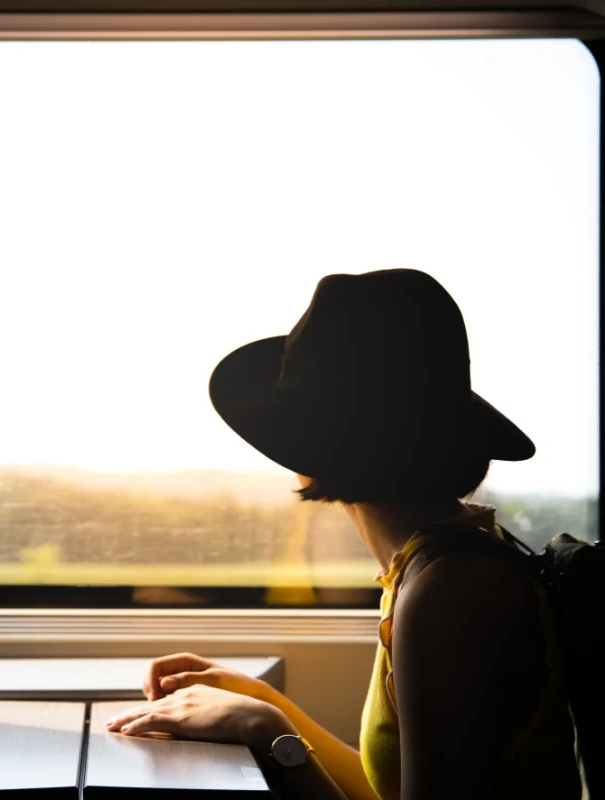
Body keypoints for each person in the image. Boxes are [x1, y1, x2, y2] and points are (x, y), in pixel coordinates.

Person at [104, 270, 582, 800]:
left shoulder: (451, 591)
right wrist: (266, 703)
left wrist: (264, 730)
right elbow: (388, 788)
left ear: (308, 450)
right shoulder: (434, 567)